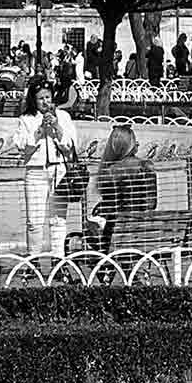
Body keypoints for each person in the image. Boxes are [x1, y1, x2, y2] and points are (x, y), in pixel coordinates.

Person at [21, 83, 78, 255]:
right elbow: (23, 147)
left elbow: (69, 145)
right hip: (36, 171)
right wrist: (39, 131)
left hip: (58, 170)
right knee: (34, 221)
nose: (45, 102)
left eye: (48, 97)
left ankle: (58, 258)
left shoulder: (64, 116)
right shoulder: (26, 119)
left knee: (58, 219)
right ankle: (33, 258)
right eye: (41, 98)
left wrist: (57, 127)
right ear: (34, 100)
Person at [84, 123, 158, 249]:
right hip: (144, 234)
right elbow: (151, 204)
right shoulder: (146, 167)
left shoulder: (108, 171)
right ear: (132, 144)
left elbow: (111, 207)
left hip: (115, 239)